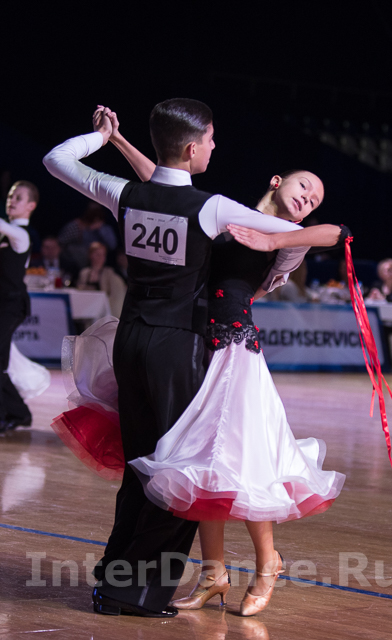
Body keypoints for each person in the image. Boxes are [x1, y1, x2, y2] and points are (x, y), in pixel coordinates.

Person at [43, 99, 342, 618]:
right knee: (174, 469)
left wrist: (105, 139)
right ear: (191, 148)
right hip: (179, 348)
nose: (214, 145)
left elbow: (62, 161)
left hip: (132, 340)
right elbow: (333, 233)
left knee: (145, 469)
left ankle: (118, 579)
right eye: (209, 139)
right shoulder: (214, 208)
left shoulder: (129, 196)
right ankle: (136, 591)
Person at [0, 181, 38, 433]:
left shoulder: (21, 235)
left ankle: (8, 415)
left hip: (12, 304)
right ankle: (17, 413)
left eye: (19, 198)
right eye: (11, 196)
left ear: (31, 206)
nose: (11, 201)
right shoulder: (8, 232)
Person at [77, 241, 126, 318]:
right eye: (98, 254)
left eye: (103, 255)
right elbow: (79, 292)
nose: (101, 258)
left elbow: (117, 296)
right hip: (85, 311)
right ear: (90, 255)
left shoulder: (110, 274)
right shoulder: (84, 273)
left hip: (102, 313)